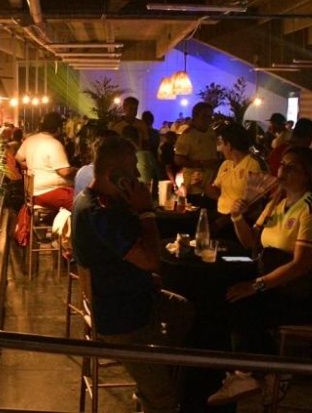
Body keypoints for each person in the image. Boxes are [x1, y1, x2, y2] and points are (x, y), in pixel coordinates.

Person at [208, 147, 312, 405]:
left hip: (310, 294)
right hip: (280, 284)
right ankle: (269, 371)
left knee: (241, 304)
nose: (282, 171)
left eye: (291, 167)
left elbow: (301, 265)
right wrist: (237, 217)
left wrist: (256, 285)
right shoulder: (277, 203)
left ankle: (249, 373)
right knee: (225, 294)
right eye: (282, 165)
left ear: (308, 175)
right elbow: (251, 244)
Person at [72, 136, 193, 412]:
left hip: (134, 297)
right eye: (132, 170)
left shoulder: (101, 201)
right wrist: (146, 212)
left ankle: (154, 373)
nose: (138, 175)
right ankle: (155, 388)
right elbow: (151, 260)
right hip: (121, 316)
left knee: (184, 310)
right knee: (165, 398)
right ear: (115, 176)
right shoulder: (98, 213)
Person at [15, 112, 76, 211]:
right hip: (50, 191)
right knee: (81, 205)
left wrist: (31, 165)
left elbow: (18, 158)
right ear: (58, 128)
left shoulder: (30, 140)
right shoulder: (54, 144)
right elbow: (64, 172)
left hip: (33, 191)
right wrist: (77, 170)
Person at [204, 123, 268, 218]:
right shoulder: (226, 164)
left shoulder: (254, 165)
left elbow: (260, 201)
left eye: (222, 143)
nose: (220, 149)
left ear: (229, 145)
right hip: (221, 214)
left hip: (242, 219)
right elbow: (217, 192)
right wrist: (202, 184)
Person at [174, 102, 218, 207]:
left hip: (211, 186)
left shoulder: (211, 132)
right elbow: (178, 159)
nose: (208, 119)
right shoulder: (187, 136)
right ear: (195, 117)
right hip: (195, 188)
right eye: (204, 116)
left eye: (210, 116)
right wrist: (202, 163)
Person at [122, 125, 159, 198]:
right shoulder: (145, 155)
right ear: (139, 138)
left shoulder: (121, 156)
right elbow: (156, 176)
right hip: (144, 194)